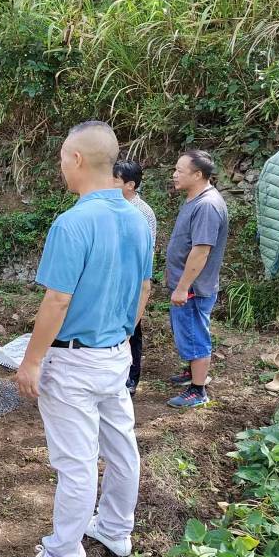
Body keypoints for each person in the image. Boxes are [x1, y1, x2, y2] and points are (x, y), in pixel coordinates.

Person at [7, 121, 152, 557]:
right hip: (116, 352)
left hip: (74, 360)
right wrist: (126, 335)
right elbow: (143, 287)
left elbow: (57, 301)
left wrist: (31, 362)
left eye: (61, 159)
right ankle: (115, 528)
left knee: (76, 464)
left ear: (76, 160)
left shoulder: (73, 223)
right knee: (121, 445)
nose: (60, 167)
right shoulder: (137, 217)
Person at [164, 150, 228, 408]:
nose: (175, 174)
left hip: (193, 288)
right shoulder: (195, 199)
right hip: (187, 284)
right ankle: (192, 372)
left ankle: (198, 390)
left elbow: (201, 251)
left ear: (198, 175)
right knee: (188, 331)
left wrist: (182, 287)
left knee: (194, 334)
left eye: (180, 170)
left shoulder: (207, 205)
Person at [113, 160, 157, 396]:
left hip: (131, 280)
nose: (111, 183)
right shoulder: (114, 206)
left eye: (116, 180)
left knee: (132, 328)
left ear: (130, 185)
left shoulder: (142, 212)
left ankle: (132, 377)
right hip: (114, 278)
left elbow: (146, 251)